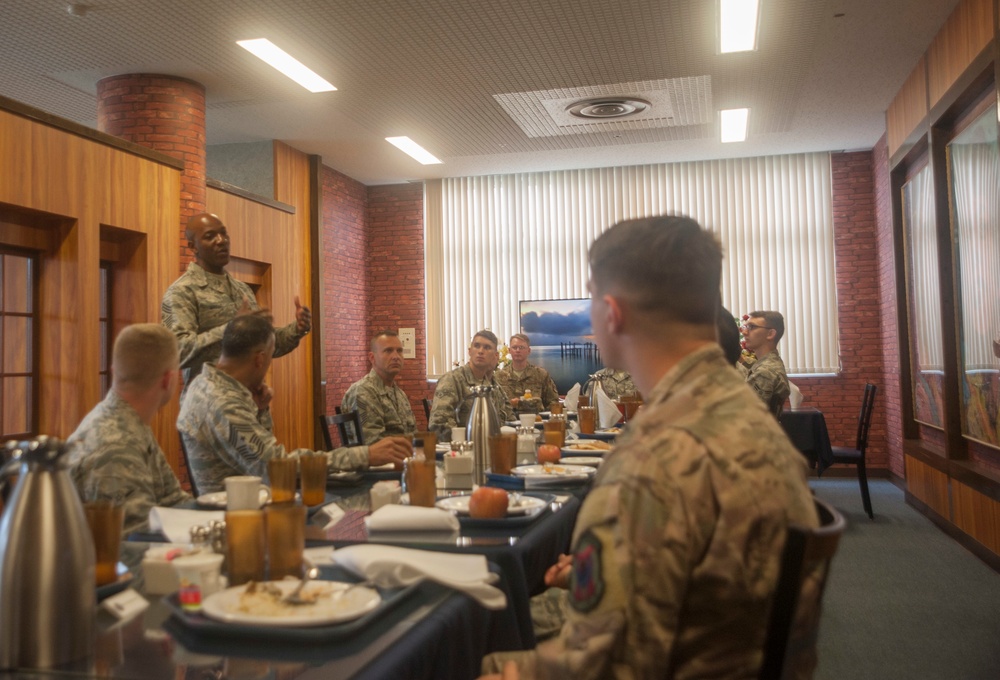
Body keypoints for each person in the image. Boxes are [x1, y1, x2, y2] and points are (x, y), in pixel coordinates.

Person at [480, 215, 817, 679]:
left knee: (456, 645)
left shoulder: (653, 460)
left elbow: (601, 667)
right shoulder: (738, 410)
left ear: (613, 314)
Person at [178, 315, 411, 494]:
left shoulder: (206, 384)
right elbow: (275, 466)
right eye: (270, 358)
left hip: (256, 498)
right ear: (260, 359)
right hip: (238, 515)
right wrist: (365, 455)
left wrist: (260, 411)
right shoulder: (222, 400)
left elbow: (259, 455)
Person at [161, 212, 312, 393]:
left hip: (249, 402)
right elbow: (177, 353)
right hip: (208, 407)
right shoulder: (182, 291)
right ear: (193, 247)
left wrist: (297, 329)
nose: (221, 240)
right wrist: (232, 328)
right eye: (210, 237)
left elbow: (267, 344)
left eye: (224, 234)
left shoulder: (242, 290)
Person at [67, 324, 190, 535]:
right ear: (168, 380)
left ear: (115, 371)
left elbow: (173, 501)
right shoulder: (116, 445)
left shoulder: (128, 422)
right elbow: (134, 546)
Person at [428, 330, 514, 441]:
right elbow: (439, 424)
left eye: (487, 347)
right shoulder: (453, 380)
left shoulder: (491, 386)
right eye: (476, 346)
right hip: (461, 450)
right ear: (470, 351)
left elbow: (507, 418)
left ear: (495, 356)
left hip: (492, 447)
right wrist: (468, 442)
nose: (481, 351)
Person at [342, 330, 417, 444]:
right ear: (372, 357)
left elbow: (414, 436)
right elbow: (372, 443)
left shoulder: (400, 394)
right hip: (376, 460)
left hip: (405, 458)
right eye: (388, 351)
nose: (396, 356)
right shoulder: (363, 391)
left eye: (399, 351)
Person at [740, 310, 791, 417]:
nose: (744, 332)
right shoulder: (770, 362)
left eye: (752, 327)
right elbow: (752, 366)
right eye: (745, 327)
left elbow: (744, 416)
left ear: (770, 334)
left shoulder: (764, 372)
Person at [494, 334, 560, 415]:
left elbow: (553, 403)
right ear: (509, 350)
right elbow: (494, 406)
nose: (518, 350)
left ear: (529, 351)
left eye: (521, 347)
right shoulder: (498, 377)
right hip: (508, 424)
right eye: (514, 347)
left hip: (536, 423)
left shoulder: (541, 375)